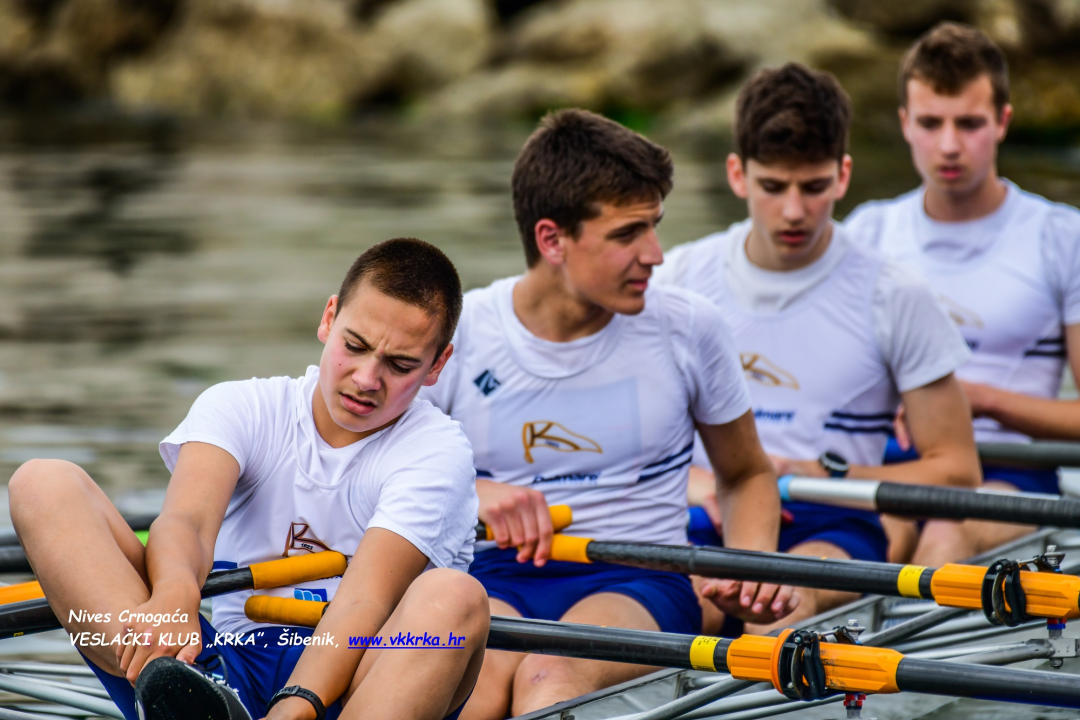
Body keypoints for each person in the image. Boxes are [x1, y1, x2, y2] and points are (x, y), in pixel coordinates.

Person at [9, 238, 488, 720]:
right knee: (43, 483)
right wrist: (174, 595)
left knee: (453, 597)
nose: (367, 378)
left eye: (400, 364)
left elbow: (365, 598)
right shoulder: (242, 407)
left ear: (437, 366)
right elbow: (187, 524)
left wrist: (296, 706)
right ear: (328, 319)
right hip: (219, 662)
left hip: (359, 673)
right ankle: (191, 691)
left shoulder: (437, 451)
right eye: (355, 346)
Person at [420, 108, 793, 720]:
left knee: (549, 673)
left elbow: (747, 473)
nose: (656, 255)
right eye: (628, 235)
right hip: (496, 580)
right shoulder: (465, 335)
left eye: (655, 227)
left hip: (640, 579)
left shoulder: (688, 328)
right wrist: (473, 493)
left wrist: (750, 573)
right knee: (475, 688)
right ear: (552, 240)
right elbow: (377, 471)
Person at [655, 63, 979, 630]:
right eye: (773, 187)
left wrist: (824, 474)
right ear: (737, 175)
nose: (794, 211)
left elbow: (956, 471)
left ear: (844, 175)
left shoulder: (895, 294)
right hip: (704, 515)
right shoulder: (679, 277)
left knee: (776, 611)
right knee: (665, 612)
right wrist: (709, 484)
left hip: (832, 523)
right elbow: (636, 447)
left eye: (814, 186)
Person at [845, 23, 1080, 565]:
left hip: (1009, 471)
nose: (948, 145)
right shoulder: (868, 233)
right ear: (905, 123)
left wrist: (979, 399)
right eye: (931, 123)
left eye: (969, 123)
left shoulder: (1060, 238)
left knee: (944, 538)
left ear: (1002, 122)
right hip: (894, 462)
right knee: (867, 544)